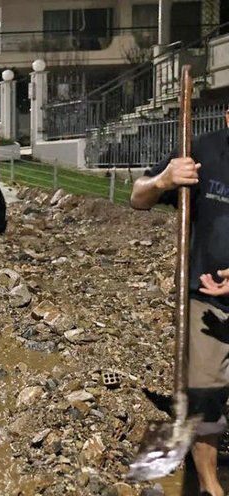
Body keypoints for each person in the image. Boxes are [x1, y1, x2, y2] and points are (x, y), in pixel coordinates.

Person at [130, 106, 229, 496]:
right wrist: (165, 179)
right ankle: (209, 483)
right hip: (205, 297)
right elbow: (137, 197)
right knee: (205, 393)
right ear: (226, 116)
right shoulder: (200, 151)